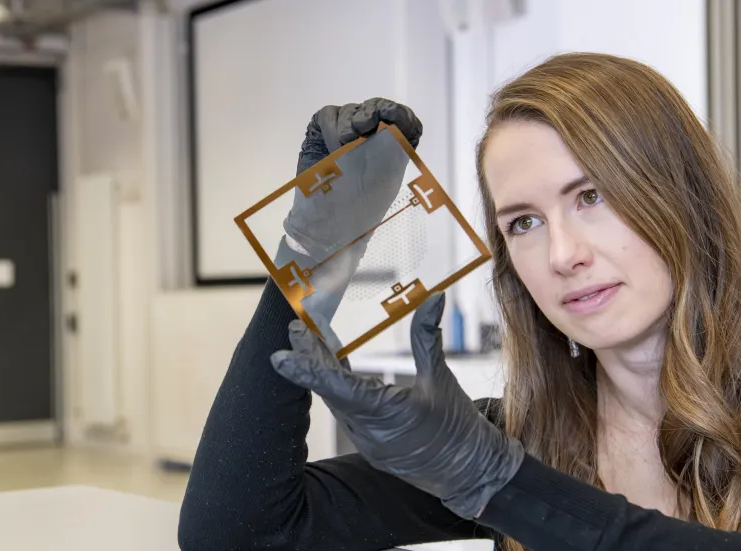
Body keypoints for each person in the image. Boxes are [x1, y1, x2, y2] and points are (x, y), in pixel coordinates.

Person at [177, 52, 741, 551]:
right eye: (524, 222)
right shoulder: (523, 439)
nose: (562, 254)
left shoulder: (501, 467)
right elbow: (234, 532)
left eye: (591, 196)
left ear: (679, 193)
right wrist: (310, 258)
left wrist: (505, 486)